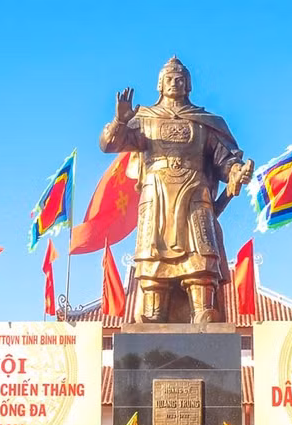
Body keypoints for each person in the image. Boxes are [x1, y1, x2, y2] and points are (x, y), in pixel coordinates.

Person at [99, 57, 253, 323]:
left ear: (189, 84)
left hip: (194, 189)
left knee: (201, 253)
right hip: (156, 192)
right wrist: (120, 121)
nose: (175, 82)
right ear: (160, 84)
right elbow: (109, 144)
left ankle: (203, 310)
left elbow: (224, 161)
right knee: (152, 253)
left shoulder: (205, 122)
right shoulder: (144, 118)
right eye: (169, 78)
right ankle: (153, 313)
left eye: (180, 78)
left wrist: (236, 172)